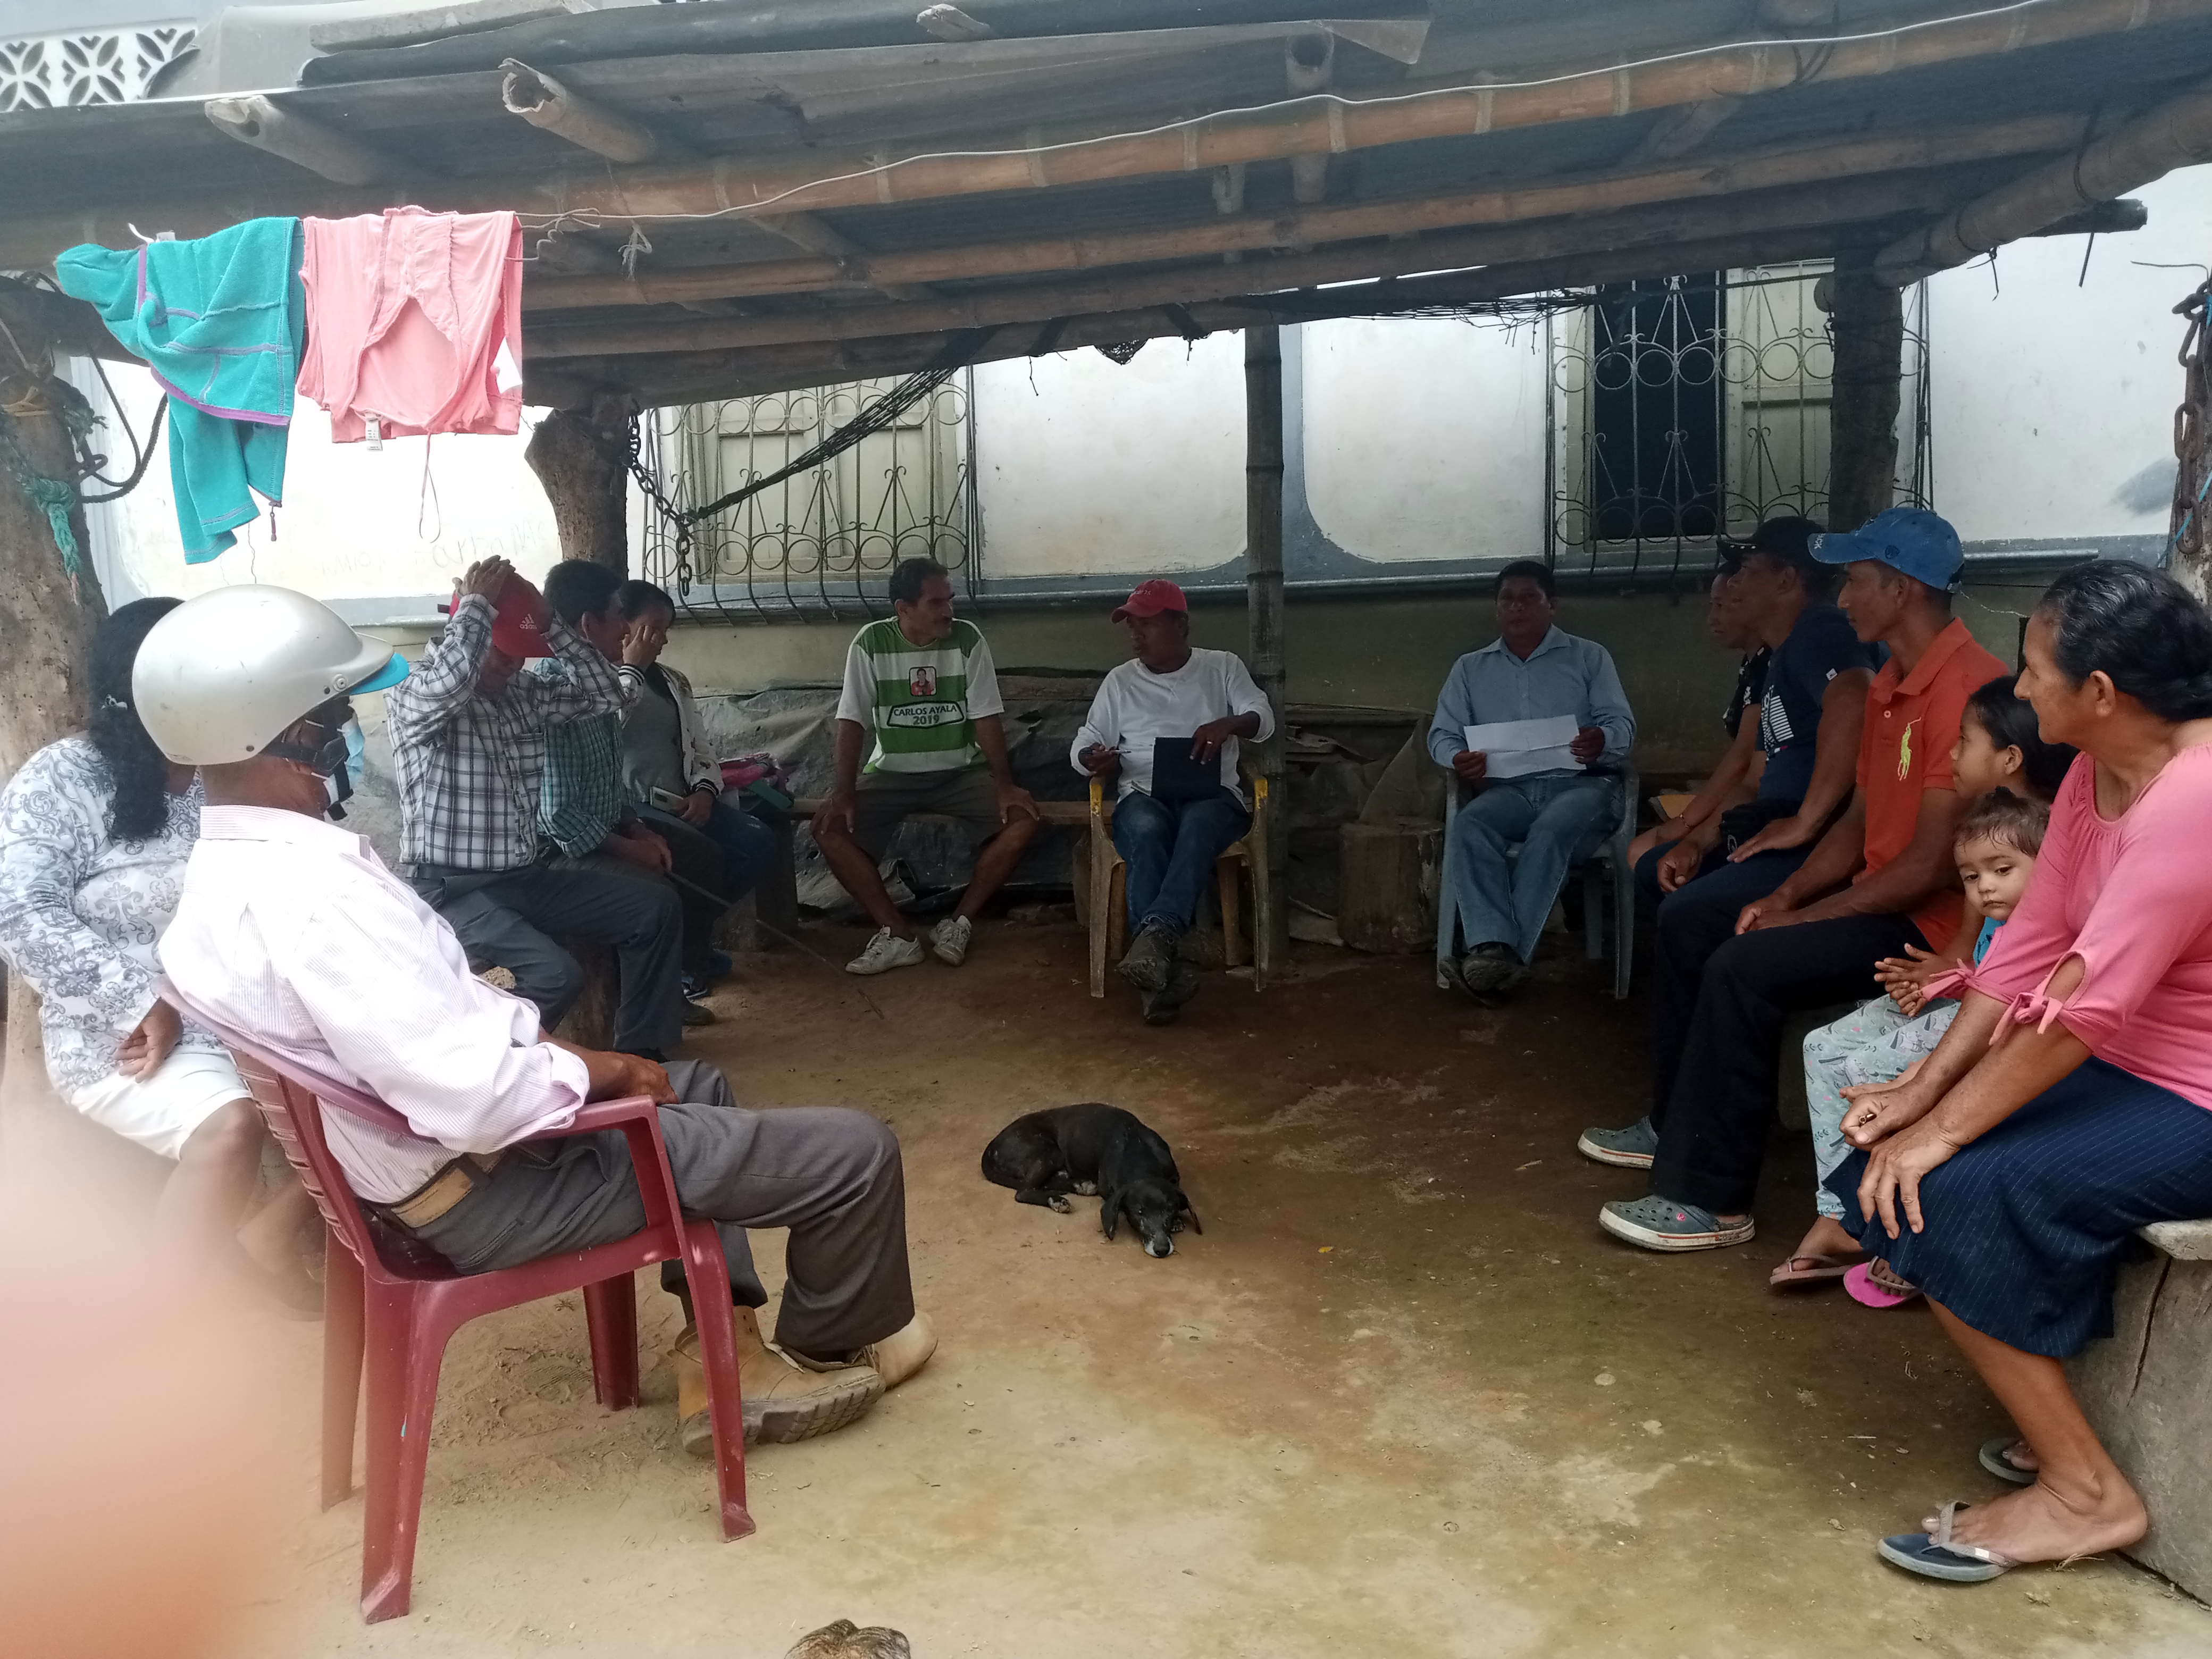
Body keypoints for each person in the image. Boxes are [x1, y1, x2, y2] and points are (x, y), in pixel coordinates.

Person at [136, 583, 935, 1451]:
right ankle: (826, 1348)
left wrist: (555, 1051)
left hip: (425, 1175)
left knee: (698, 1084)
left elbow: (427, 1037)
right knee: (855, 1152)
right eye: (337, 717)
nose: (349, 734)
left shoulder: (221, 878)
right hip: (492, 1190)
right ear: (295, 738)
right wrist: (602, 1068)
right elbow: (480, 1096)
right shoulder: (321, 896)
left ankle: (728, 1350)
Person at [1824, 561, 2212, 1585]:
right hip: (2125, 1060)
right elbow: (2031, 948)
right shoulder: (2091, 770)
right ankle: (2061, 1439)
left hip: (2196, 1093)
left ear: (2101, 692)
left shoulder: (2195, 796)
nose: (2021, 687)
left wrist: (1944, 1130)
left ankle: (2087, 1495)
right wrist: (1920, 1093)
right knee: (1886, 1162)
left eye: (2037, 671)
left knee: (1941, 1190)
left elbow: (2083, 1007)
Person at [1583, 506, 2006, 1250]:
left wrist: (1803, 918)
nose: (1841, 599)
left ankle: (1711, 1201)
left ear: (1901, 588)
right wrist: (1783, 894)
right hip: (1880, 899)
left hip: (1929, 927)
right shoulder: (1892, 682)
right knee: (1695, 919)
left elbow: (1926, 867)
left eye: (1855, 582)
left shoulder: (1967, 690)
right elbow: (1858, 822)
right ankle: (1675, 1125)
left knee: (1743, 966)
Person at [0, 598, 324, 1307]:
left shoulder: (227, 767)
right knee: (230, 1129)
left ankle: (269, 1235)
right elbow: (19, 909)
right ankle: (162, 1322)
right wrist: (140, 1003)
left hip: (248, 1012)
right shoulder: (64, 780)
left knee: (374, 1077)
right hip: (125, 1038)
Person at [1773, 677, 2077, 1294]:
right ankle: (1841, 1208)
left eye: (1963, 741)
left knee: (1861, 1068)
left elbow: (2035, 976)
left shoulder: (2057, 845)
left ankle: (1866, 1220)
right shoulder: (1982, 836)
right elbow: (1967, 952)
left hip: (2008, 1019)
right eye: (1972, 876)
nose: (1949, 755)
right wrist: (1931, 978)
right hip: (1967, 995)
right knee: (1821, 1046)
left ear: (2008, 758)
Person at [383, 556, 687, 1059]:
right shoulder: (414, 691)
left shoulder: (525, 692)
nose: (513, 664)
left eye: (521, 652)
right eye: (502, 650)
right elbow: (446, 690)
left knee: (654, 908)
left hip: (523, 877)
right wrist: (476, 609)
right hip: (448, 888)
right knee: (555, 975)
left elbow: (610, 694)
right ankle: (477, 1068)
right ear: (469, 634)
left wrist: (552, 628)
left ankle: (640, 1057)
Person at [1631, 517, 1875, 925]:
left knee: (1687, 915)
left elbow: (1855, 701)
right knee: (1657, 870)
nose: (1735, 583)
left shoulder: (1820, 630)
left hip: (1816, 839)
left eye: (1746, 570)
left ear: (1786, 580)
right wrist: (1697, 842)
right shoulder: (1780, 656)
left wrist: (1806, 821)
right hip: (1769, 826)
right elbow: (1753, 779)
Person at [812, 557, 1041, 975]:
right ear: (903, 608)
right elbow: (852, 721)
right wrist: (843, 791)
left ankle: (959, 922)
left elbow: (986, 717)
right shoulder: (870, 643)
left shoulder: (968, 639)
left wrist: (1005, 785)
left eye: (950, 600)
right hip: (891, 775)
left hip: (960, 773)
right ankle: (898, 934)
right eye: (936, 603)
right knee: (829, 828)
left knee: (1023, 820)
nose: (948, 611)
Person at [1427, 559, 1635, 999]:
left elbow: (1622, 726)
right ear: (1496, 608)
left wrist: (1602, 739)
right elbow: (1442, 734)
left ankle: (1497, 959)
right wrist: (1457, 758)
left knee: (1551, 831)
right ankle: (1495, 949)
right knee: (1470, 825)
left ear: (1552, 605)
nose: (1517, 607)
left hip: (1583, 785)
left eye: (1529, 598)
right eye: (1507, 599)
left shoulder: (1589, 657)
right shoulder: (1471, 668)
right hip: (1511, 790)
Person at [1071, 580, 1275, 1024]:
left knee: (1199, 824)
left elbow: (1262, 717)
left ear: (1180, 624)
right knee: (1145, 831)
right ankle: (1162, 963)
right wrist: (1091, 757)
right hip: (1143, 795)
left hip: (1212, 795)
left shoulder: (1222, 667)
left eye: (1147, 624)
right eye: (1132, 625)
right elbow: (1088, 739)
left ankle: (1155, 942)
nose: (1136, 634)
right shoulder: (1121, 680)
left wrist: (1229, 724)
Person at [537, 562, 722, 1019]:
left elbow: (606, 778)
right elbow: (559, 817)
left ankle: (678, 976)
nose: (627, 630)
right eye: (621, 617)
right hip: (559, 850)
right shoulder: (557, 689)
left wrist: (637, 829)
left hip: (606, 826)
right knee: (655, 898)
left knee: (702, 859)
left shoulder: (599, 681)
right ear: (588, 625)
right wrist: (628, 848)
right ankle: (642, 1032)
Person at [613, 579, 777, 965]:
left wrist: (704, 790)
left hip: (680, 799)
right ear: (623, 625)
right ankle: (685, 954)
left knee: (756, 843)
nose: (662, 640)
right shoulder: (602, 682)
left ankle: (688, 939)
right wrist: (632, 668)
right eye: (652, 629)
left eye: (665, 630)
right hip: (632, 806)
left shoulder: (672, 680)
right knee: (701, 857)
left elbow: (699, 744)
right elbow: (609, 724)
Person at [1624, 552, 1770, 870]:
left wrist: (1686, 823)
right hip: (1742, 798)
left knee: (1647, 854)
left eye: (1722, 606)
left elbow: (1743, 759)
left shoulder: (1769, 665)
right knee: (1644, 849)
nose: (1712, 618)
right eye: (1712, 606)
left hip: (1763, 805)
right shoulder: (1752, 663)